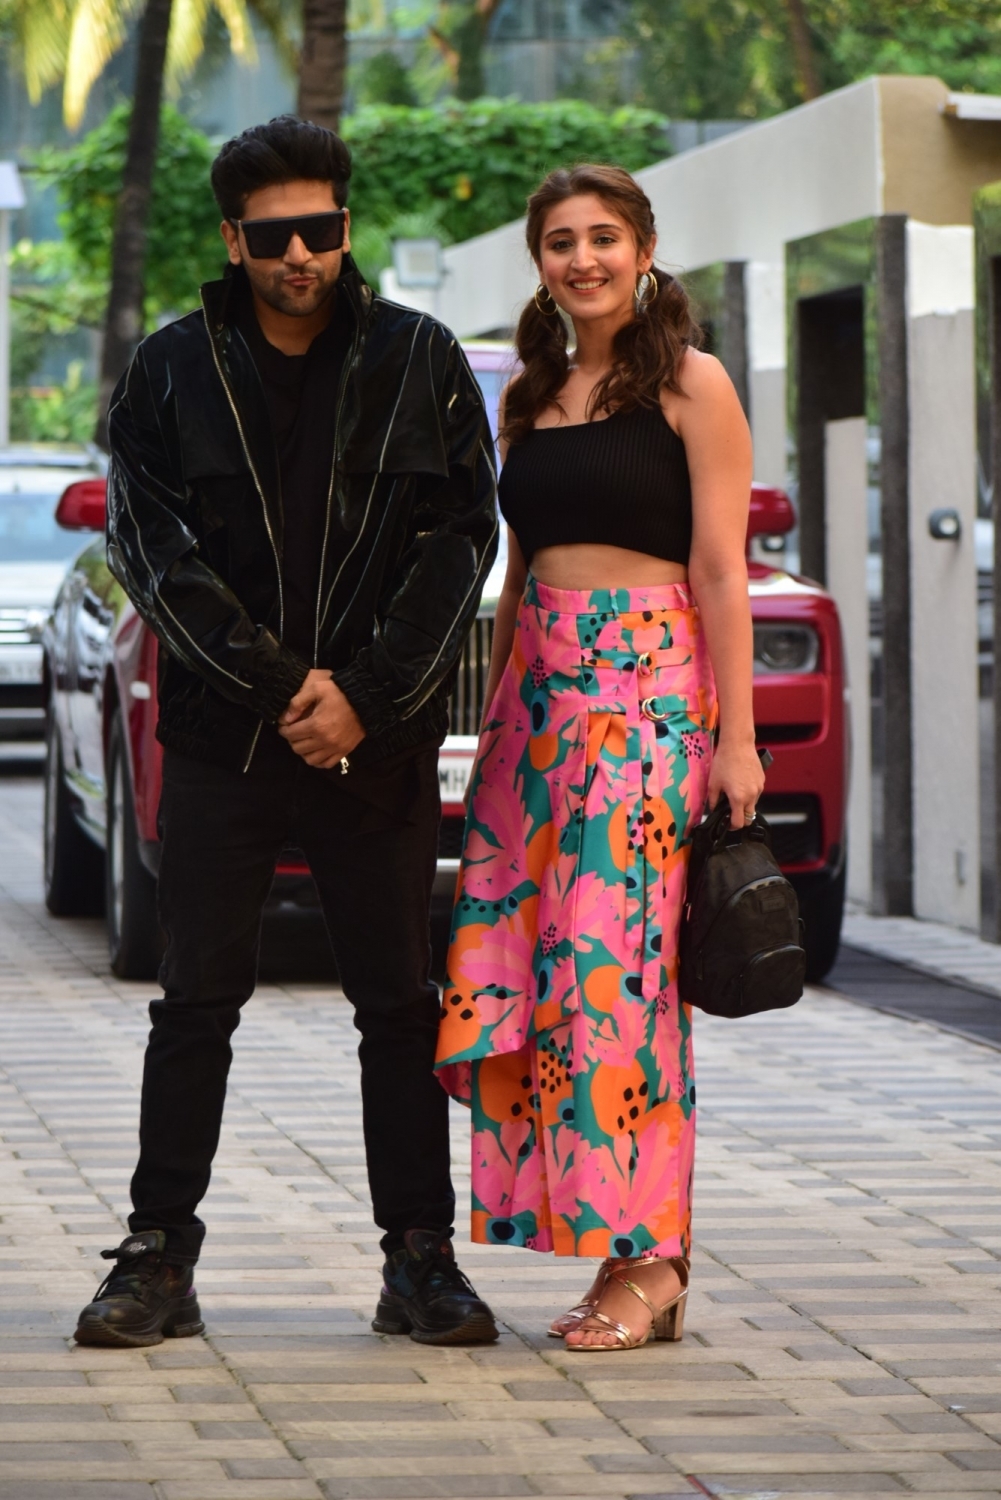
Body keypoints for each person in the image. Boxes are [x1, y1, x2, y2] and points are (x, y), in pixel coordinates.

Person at [74, 115, 500, 1350]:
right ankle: (158, 1259)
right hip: (225, 743)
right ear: (233, 239)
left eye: (320, 231)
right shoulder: (167, 370)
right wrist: (283, 692)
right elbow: (155, 551)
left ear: (347, 230)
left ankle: (420, 1260)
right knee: (194, 1001)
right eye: (274, 237)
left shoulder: (417, 359)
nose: (300, 254)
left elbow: (458, 538)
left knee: (397, 1006)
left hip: (378, 743)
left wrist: (361, 696)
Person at [435, 163, 760, 1352]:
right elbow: (519, 578)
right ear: (539, 261)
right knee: (539, 987)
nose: (582, 259)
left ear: (642, 249)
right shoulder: (526, 393)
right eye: (560, 242)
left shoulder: (689, 382)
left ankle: (653, 1261)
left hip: (651, 706)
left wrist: (736, 738)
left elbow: (720, 568)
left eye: (603, 239)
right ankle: (601, 1235)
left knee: (619, 981)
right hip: (538, 716)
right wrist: (491, 731)